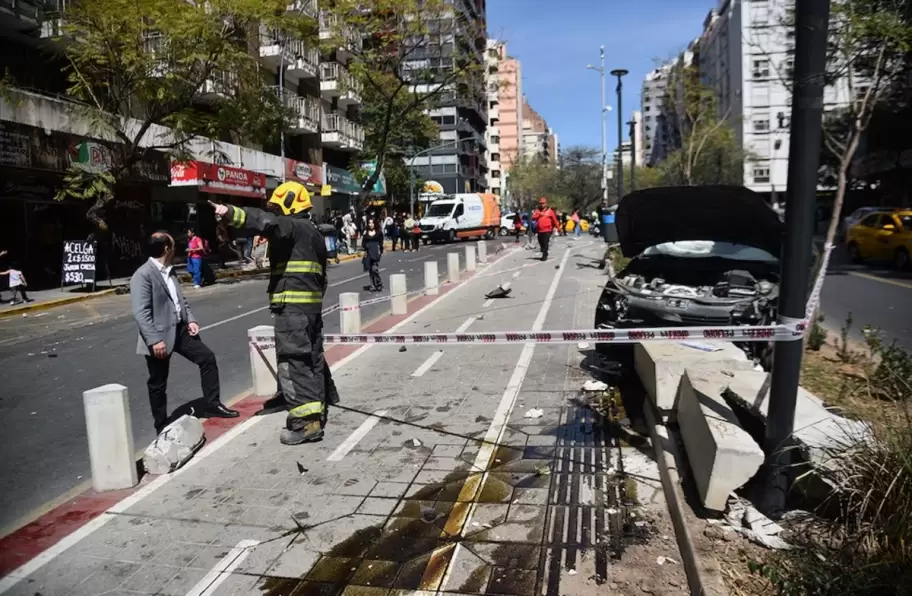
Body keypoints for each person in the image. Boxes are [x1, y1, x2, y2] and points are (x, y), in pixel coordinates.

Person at [212, 182, 339, 445]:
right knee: (311, 360)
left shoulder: (292, 226)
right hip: (309, 311)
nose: (276, 213)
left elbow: (265, 222)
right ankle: (319, 407)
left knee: (294, 363)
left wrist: (229, 212)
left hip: (293, 311)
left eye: (279, 207)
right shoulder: (312, 233)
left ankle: (306, 424)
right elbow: (322, 279)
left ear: (290, 205)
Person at [131, 232, 238, 434]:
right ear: (166, 249)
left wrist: (191, 320)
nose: (175, 248)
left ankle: (212, 404)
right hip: (159, 337)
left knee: (207, 358)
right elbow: (141, 312)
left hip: (180, 330)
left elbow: (180, 300)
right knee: (158, 383)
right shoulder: (143, 275)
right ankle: (161, 425)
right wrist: (154, 340)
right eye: (173, 245)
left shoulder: (170, 271)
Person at [531, 197, 560, 261]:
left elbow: (555, 220)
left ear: (546, 203)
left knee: (545, 242)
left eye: (543, 203)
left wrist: (558, 228)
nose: (542, 205)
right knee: (540, 242)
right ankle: (544, 252)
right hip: (539, 230)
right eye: (541, 203)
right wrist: (539, 214)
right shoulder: (537, 210)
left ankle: (544, 255)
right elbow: (533, 217)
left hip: (547, 230)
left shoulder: (550, 211)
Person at [362, 218, 384, 292]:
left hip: (375, 252)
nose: (371, 224)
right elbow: (363, 243)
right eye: (369, 223)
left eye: (372, 223)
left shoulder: (379, 232)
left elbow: (381, 244)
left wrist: (380, 252)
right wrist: (366, 246)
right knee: (370, 270)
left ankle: (379, 283)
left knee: (375, 269)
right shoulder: (366, 233)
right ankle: (373, 285)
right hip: (368, 253)